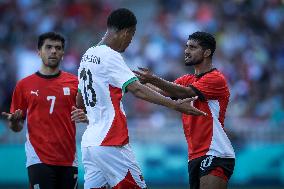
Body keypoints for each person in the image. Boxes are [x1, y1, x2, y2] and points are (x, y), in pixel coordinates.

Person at [75, 8, 206, 189]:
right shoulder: (110, 56)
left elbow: (80, 101)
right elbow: (137, 90)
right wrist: (174, 105)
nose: (130, 41)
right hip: (110, 142)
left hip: (90, 145)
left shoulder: (88, 55)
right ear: (126, 31)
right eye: (132, 35)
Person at [134, 31, 235, 189]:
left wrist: (152, 78)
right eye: (186, 46)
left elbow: (183, 93)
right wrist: (129, 82)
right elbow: (160, 91)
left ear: (207, 52)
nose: (186, 51)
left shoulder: (216, 78)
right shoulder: (187, 79)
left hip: (216, 152)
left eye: (193, 47)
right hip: (195, 155)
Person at [1, 32, 87, 189]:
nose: (53, 51)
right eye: (48, 47)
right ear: (38, 52)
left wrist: (85, 116)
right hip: (38, 159)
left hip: (69, 159)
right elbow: (16, 127)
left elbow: (90, 114)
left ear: (62, 53)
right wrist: (14, 122)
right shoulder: (24, 85)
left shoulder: (75, 83)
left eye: (58, 48)